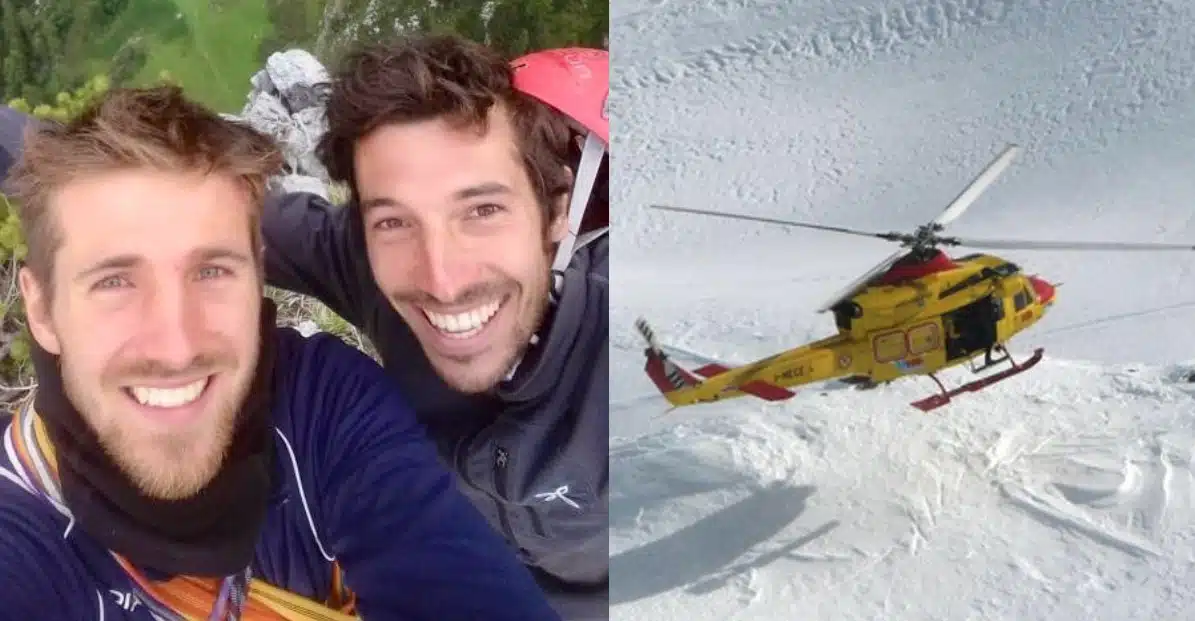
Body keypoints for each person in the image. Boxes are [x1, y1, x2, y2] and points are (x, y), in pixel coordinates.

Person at [0, 85, 562, 620]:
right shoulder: (22, 538)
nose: (176, 347)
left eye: (212, 271)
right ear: (42, 310)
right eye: (114, 282)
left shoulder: (321, 403)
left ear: (259, 275)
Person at [262, 35, 609, 619]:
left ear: (555, 212)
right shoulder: (363, 264)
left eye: (482, 210)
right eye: (394, 222)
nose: (442, 281)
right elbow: (225, 215)